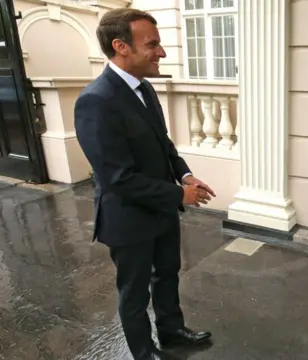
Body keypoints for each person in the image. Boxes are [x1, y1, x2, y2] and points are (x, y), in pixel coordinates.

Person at [74, 9, 215, 360]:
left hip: (162, 209)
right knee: (134, 294)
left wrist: (184, 175)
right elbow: (116, 178)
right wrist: (179, 194)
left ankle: (171, 331)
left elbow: (164, 145)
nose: (161, 53)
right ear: (121, 46)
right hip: (128, 218)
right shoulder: (95, 101)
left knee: (168, 275)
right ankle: (143, 352)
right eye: (152, 44)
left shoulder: (146, 89)